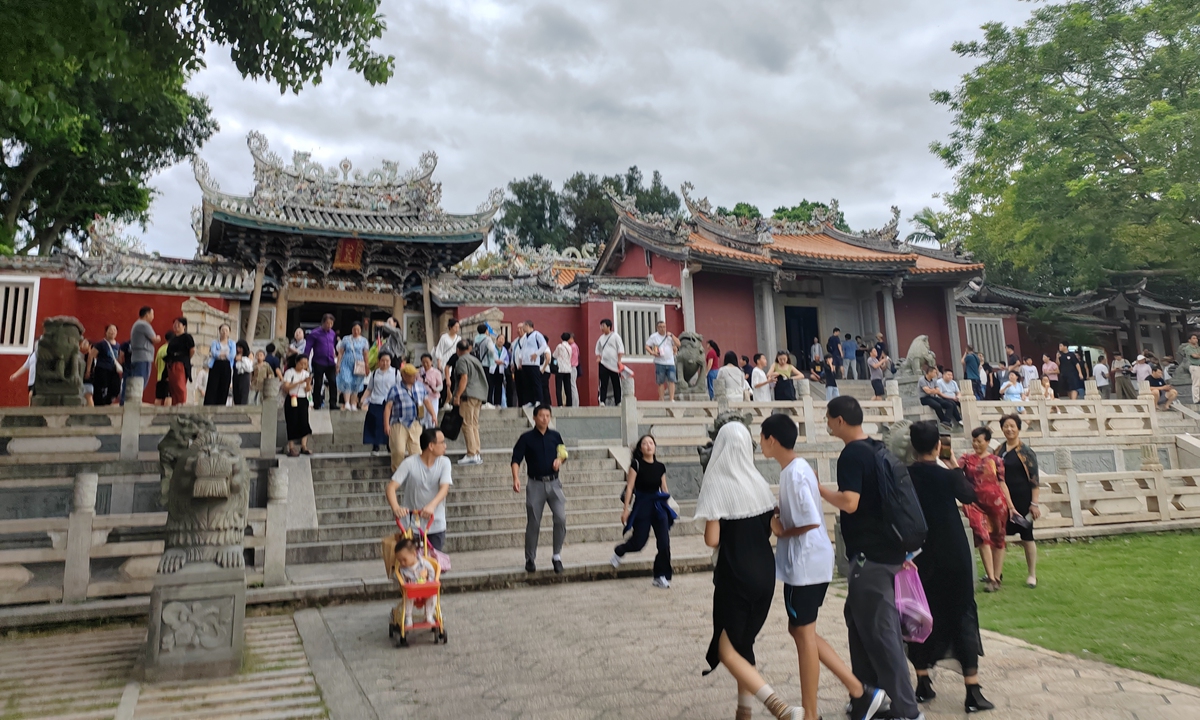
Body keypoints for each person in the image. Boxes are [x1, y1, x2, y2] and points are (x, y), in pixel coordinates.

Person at [760, 414, 887, 720]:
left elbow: (808, 521)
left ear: (772, 441)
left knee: (803, 633)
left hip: (804, 564)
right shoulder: (797, 469)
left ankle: (813, 712)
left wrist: (779, 529)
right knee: (800, 630)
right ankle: (860, 691)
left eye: (762, 438)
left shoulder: (793, 472)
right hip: (811, 561)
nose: (761, 444)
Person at [818, 396, 921, 720]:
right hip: (888, 553)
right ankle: (866, 696)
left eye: (828, 418)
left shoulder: (852, 454)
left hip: (871, 560)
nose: (826, 423)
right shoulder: (878, 448)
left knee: (882, 635)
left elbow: (850, 502)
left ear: (839, 421)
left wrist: (818, 489)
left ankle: (907, 710)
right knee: (858, 625)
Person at [695, 421, 801, 720]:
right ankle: (744, 710)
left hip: (735, 575)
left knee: (727, 651)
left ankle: (779, 706)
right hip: (765, 574)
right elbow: (772, 526)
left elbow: (711, 540)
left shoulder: (716, 483)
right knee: (743, 643)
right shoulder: (757, 481)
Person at [907, 421, 995, 713]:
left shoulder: (905, 477)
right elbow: (970, 495)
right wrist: (954, 464)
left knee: (920, 613)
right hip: (952, 551)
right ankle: (972, 688)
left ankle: (922, 682)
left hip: (920, 552)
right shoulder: (948, 476)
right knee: (962, 612)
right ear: (937, 446)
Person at [611, 434, 676, 588]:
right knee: (639, 542)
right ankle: (620, 551)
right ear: (640, 448)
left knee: (664, 544)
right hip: (642, 505)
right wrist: (625, 509)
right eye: (645, 443)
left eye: (651, 443)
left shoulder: (660, 466)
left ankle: (660, 575)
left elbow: (664, 488)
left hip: (658, 506)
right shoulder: (636, 464)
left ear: (655, 446)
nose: (648, 445)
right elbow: (630, 488)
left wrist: (667, 507)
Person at [511, 404, 568, 574]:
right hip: (535, 484)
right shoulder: (526, 438)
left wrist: (560, 460)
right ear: (535, 417)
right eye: (541, 416)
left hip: (554, 483)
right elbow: (516, 459)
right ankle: (530, 558)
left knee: (561, 518)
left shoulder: (555, 436)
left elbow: (563, 452)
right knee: (534, 522)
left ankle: (556, 555)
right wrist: (516, 478)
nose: (545, 419)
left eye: (547, 416)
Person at [960, 427, 1016, 593]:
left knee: (998, 539)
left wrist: (1011, 506)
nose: (976, 444)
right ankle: (990, 577)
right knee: (982, 537)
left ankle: (997, 577)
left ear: (987, 442)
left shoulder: (996, 460)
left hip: (997, 503)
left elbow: (1002, 483)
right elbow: (955, 470)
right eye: (974, 440)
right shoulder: (967, 458)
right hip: (974, 503)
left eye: (979, 441)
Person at [386, 427, 453, 552]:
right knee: (411, 565)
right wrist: (396, 508)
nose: (445, 445)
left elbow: (444, 488)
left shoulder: (445, 463)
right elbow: (391, 487)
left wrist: (432, 506)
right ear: (431, 446)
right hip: (411, 524)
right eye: (442, 442)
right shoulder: (410, 463)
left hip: (435, 523)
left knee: (434, 565)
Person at [997, 414, 1041, 588]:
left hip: (1023, 499)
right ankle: (995, 573)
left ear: (1019, 428)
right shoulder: (999, 450)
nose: (1009, 429)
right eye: (1006, 426)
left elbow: (1035, 479)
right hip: (1003, 500)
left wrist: (1034, 503)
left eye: (1012, 426)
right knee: (1000, 537)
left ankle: (1032, 574)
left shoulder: (1026, 452)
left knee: (1027, 537)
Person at [385, 364, 436, 472]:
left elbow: (427, 401)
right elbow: (388, 407)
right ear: (404, 375)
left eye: (414, 375)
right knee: (398, 450)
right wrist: (386, 424)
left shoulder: (420, 386)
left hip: (415, 422)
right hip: (399, 422)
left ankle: (416, 473)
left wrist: (433, 415)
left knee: (416, 450)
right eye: (411, 375)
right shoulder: (395, 389)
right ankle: (397, 472)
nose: (414, 377)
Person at [451, 338, 488, 466]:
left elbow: (464, 378)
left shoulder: (461, 360)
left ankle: (471, 453)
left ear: (458, 350)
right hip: (479, 395)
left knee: (466, 424)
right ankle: (476, 452)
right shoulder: (475, 360)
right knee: (474, 424)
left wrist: (457, 396)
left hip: (468, 395)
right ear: (469, 349)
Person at [392, 537, 436, 629]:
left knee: (433, 595)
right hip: (412, 590)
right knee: (408, 596)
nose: (402, 563)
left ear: (414, 554)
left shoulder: (424, 563)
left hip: (425, 588)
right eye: (399, 560)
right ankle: (408, 617)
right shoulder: (402, 569)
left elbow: (432, 571)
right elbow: (401, 579)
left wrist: (430, 580)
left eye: (404, 559)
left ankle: (429, 615)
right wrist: (402, 581)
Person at [361, 351, 398, 454]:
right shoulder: (375, 373)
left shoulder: (396, 373)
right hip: (376, 401)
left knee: (389, 423)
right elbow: (370, 388)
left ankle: (389, 445)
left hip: (390, 402)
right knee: (375, 424)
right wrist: (362, 399)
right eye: (383, 361)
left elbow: (399, 388)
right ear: (379, 361)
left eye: (387, 361)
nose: (385, 363)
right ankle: (375, 446)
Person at [304, 314, 338, 410]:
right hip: (318, 361)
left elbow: (333, 346)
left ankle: (333, 403)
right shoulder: (314, 333)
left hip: (330, 362)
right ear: (323, 323)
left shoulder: (333, 333)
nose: (329, 325)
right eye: (328, 323)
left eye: (331, 323)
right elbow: (308, 347)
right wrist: (305, 360)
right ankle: (317, 403)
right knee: (318, 383)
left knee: (333, 382)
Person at [282, 355, 313, 456]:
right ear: (297, 362)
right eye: (302, 363)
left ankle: (304, 446)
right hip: (292, 397)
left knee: (304, 422)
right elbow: (286, 387)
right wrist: (300, 382)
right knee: (292, 422)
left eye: (305, 364)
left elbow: (308, 390)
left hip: (302, 398)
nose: (304, 366)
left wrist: (308, 383)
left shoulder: (306, 374)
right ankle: (291, 447)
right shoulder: (289, 373)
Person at [126, 306, 159, 403]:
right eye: (152, 314)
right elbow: (154, 339)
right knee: (141, 380)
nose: (153, 317)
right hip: (143, 357)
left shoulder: (137, 324)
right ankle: (135, 402)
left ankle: (134, 401)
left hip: (138, 357)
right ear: (147, 314)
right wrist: (158, 337)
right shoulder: (144, 325)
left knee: (138, 379)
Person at [514, 320, 549, 406]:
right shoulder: (525, 337)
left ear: (528, 326)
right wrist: (520, 360)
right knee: (527, 383)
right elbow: (523, 349)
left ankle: (538, 400)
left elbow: (544, 345)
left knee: (535, 382)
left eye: (524, 326)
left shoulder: (537, 334)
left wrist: (536, 354)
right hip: (525, 363)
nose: (522, 328)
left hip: (533, 363)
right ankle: (529, 401)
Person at [336, 322, 369, 411]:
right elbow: (341, 352)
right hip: (346, 363)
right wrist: (338, 364)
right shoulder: (346, 339)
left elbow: (366, 354)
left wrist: (367, 366)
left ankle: (353, 403)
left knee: (356, 383)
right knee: (347, 381)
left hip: (359, 364)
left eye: (358, 329)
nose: (356, 331)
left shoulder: (364, 341)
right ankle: (346, 402)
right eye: (354, 329)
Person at [646, 320, 680, 402]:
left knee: (672, 380)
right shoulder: (654, 336)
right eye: (660, 327)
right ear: (657, 328)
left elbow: (678, 344)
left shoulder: (670, 336)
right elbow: (647, 346)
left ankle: (671, 398)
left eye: (664, 327)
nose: (662, 329)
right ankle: (662, 398)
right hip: (659, 362)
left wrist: (672, 335)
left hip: (670, 362)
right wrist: (652, 352)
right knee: (660, 381)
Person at [203, 324, 235, 406]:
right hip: (216, 365)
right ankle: (209, 404)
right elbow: (213, 353)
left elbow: (232, 354)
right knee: (213, 385)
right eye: (222, 330)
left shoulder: (232, 343)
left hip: (226, 365)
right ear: (219, 332)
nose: (224, 332)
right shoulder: (215, 342)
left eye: (226, 330)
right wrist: (223, 354)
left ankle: (221, 405)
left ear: (229, 332)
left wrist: (221, 354)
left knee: (224, 386)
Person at [165, 318, 195, 406]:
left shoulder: (187, 337)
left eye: (178, 324)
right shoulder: (173, 339)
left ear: (184, 326)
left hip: (181, 363)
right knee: (173, 387)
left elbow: (192, 350)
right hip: (171, 363)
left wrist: (185, 358)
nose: (176, 326)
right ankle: (175, 404)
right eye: (174, 324)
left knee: (180, 385)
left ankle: (182, 404)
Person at [595, 319, 625, 406]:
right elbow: (598, 349)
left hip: (614, 364)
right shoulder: (601, 338)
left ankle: (618, 401)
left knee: (616, 382)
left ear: (609, 327)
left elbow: (620, 349)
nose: (601, 328)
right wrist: (599, 357)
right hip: (603, 363)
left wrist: (619, 361)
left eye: (603, 326)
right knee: (603, 382)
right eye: (601, 326)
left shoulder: (615, 336)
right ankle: (602, 400)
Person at [92, 324, 122, 406]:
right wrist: (90, 369)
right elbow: (92, 355)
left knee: (116, 388)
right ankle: (99, 404)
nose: (112, 332)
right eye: (110, 330)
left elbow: (119, 357)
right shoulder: (101, 344)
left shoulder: (118, 345)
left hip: (113, 369)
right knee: (101, 388)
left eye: (114, 330)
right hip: (102, 368)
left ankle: (108, 401)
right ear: (106, 332)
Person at [434, 318, 461, 403]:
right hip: (445, 361)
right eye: (455, 327)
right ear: (450, 327)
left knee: (453, 380)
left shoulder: (459, 338)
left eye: (458, 327)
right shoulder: (444, 338)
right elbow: (439, 350)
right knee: (445, 381)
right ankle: (443, 399)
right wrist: (439, 362)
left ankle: (450, 399)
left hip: (455, 361)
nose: (457, 329)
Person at [417, 353, 443, 429]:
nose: (425, 364)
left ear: (431, 362)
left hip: (433, 398)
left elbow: (440, 385)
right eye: (423, 362)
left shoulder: (436, 372)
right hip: (421, 399)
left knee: (432, 416)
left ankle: (431, 431)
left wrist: (436, 389)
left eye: (427, 362)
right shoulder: (418, 372)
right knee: (422, 417)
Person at [154, 331, 174, 406]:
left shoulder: (160, 349)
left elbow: (156, 363)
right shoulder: (171, 349)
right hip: (168, 377)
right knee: (168, 396)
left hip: (159, 377)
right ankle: (166, 415)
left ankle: (155, 415)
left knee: (158, 397)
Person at [554, 332, 574, 406]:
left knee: (558, 387)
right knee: (568, 387)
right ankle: (569, 403)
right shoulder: (570, 347)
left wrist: (555, 363)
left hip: (560, 368)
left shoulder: (559, 346)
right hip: (568, 368)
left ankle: (560, 404)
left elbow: (554, 356)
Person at [490, 335, 510, 407]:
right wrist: (495, 361)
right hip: (492, 369)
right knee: (491, 386)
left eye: (503, 339)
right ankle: (489, 402)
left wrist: (502, 362)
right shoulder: (491, 347)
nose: (501, 341)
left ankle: (497, 403)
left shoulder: (504, 350)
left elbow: (507, 361)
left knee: (499, 387)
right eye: (500, 339)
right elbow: (488, 357)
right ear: (496, 339)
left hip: (500, 370)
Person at [1181, 334, 1200, 404]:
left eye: (1196, 338)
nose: (1196, 340)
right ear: (1189, 340)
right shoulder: (1188, 348)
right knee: (1196, 383)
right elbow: (1195, 356)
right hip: (1194, 366)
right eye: (1194, 338)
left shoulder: (1198, 348)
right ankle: (1196, 399)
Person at [233, 340, 253, 405]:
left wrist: (242, 359)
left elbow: (249, 367)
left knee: (244, 395)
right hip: (236, 376)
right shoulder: (235, 355)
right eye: (238, 348)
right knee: (236, 395)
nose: (239, 350)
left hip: (244, 376)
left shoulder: (248, 355)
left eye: (241, 348)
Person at [568, 333, 580, 410]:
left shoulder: (573, 347)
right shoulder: (574, 346)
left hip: (572, 367)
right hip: (572, 367)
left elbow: (572, 359)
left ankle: (575, 404)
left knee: (572, 386)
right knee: (572, 385)